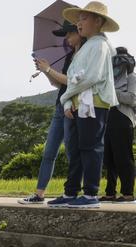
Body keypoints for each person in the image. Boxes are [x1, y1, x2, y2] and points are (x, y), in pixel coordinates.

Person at [48, 1, 119, 209]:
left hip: (94, 102)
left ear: (98, 21)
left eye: (84, 18)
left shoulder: (100, 44)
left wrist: (65, 97)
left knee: (90, 147)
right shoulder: (86, 46)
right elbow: (72, 77)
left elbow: (90, 78)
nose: (79, 23)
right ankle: (71, 192)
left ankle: (90, 194)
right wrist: (69, 100)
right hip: (81, 102)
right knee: (77, 149)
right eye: (78, 19)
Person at [19, 21, 84, 204]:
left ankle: (72, 192)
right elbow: (59, 83)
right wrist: (46, 71)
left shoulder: (85, 55)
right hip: (60, 106)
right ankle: (39, 194)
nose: (67, 38)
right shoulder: (71, 56)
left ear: (79, 32)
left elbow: (73, 82)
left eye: (69, 34)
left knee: (73, 152)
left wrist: (48, 69)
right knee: (49, 152)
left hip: (73, 106)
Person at [99, 46, 136, 203]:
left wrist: (112, 92)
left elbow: (132, 99)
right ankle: (110, 192)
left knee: (123, 157)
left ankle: (128, 193)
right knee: (109, 158)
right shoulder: (109, 78)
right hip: (108, 117)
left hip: (123, 117)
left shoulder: (131, 77)